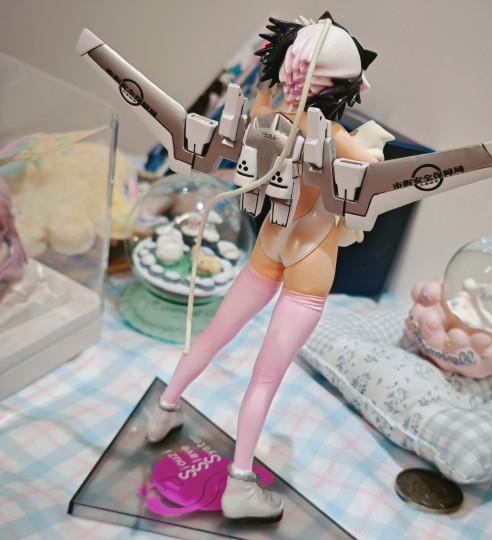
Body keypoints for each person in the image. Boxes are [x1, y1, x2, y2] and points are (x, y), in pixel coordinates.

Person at [147, 13, 381, 522]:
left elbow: (249, 108)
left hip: (268, 246)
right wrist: (372, 146)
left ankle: (163, 411)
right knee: (266, 378)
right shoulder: (333, 133)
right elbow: (373, 171)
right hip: (310, 258)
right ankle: (239, 484)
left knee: (212, 336)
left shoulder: (263, 114)